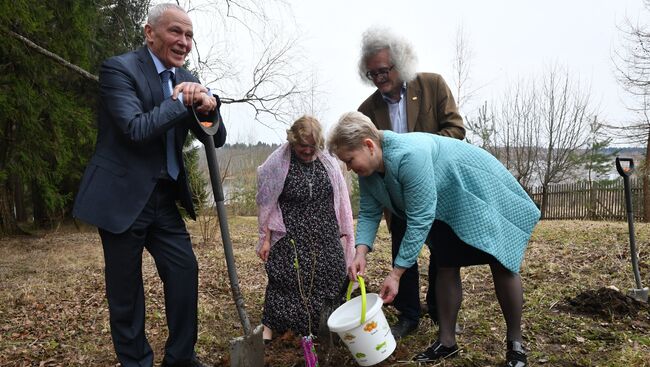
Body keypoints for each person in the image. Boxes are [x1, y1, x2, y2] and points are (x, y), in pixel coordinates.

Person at [72, 4, 225, 367]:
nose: (184, 42)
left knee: (184, 272)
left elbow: (213, 140)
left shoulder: (185, 77)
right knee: (126, 293)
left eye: (189, 36)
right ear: (150, 32)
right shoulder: (119, 70)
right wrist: (180, 100)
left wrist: (207, 109)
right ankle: (136, 362)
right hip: (121, 199)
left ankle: (181, 359)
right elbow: (136, 129)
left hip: (164, 199)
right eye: (176, 32)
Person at [327, 112, 539, 367]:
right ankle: (447, 342)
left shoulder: (409, 156)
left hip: (477, 191)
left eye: (349, 160)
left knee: (501, 261)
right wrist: (360, 252)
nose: (349, 168)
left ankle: (515, 344)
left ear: (368, 145)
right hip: (444, 203)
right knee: (446, 262)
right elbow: (371, 211)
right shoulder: (369, 171)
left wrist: (396, 275)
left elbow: (419, 218)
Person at [356, 25, 466, 339]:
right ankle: (407, 313)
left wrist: (418, 153)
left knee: (442, 253)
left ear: (400, 61)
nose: (379, 79)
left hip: (437, 189)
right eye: (371, 74)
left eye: (383, 70)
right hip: (396, 196)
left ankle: (438, 309)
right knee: (403, 249)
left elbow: (456, 131)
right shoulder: (367, 111)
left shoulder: (432, 85)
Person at [256, 116, 355, 342]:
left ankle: (325, 325)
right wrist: (266, 239)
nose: (309, 152)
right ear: (292, 140)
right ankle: (272, 325)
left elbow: (341, 197)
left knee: (331, 274)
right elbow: (266, 202)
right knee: (284, 276)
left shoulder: (328, 160)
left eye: (313, 147)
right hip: (292, 234)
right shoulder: (278, 161)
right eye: (303, 147)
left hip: (326, 232)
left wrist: (342, 231)